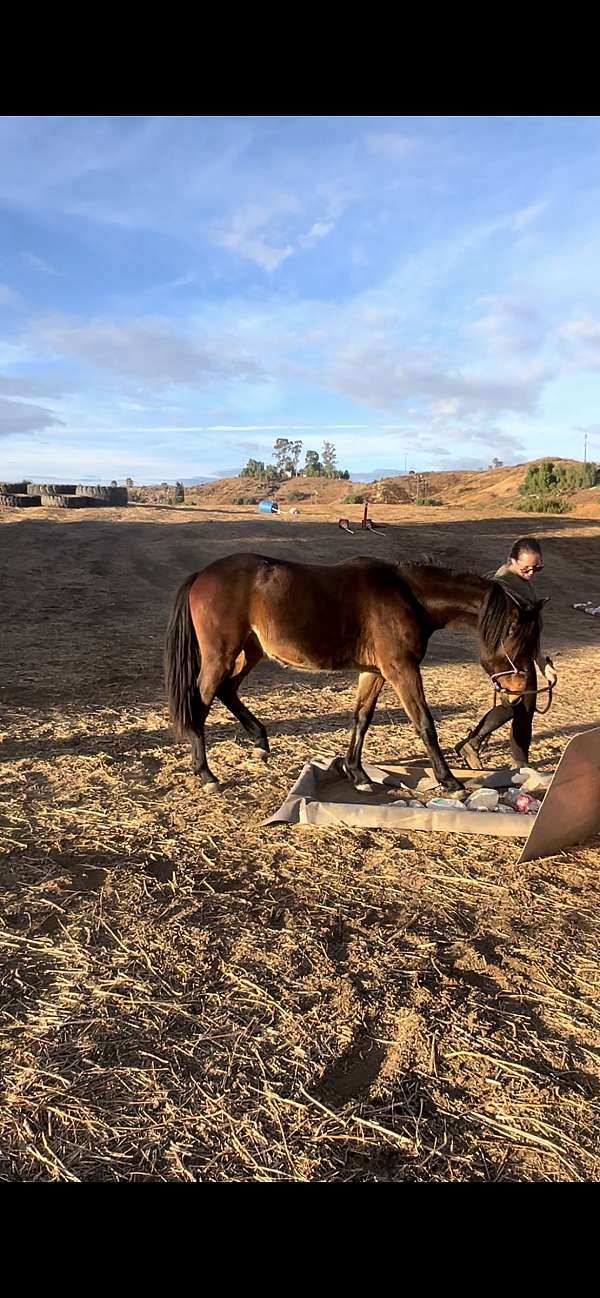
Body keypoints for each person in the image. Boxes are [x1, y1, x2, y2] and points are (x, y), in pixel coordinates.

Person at [456, 537, 558, 769]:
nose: (531, 573)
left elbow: (528, 633)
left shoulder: (520, 583)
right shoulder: (501, 587)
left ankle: (483, 747)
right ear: (511, 560)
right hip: (509, 659)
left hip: (522, 654)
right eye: (526, 568)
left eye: (536, 568)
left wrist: (543, 664)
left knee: (521, 708)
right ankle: (512, 761)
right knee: (520, 707)